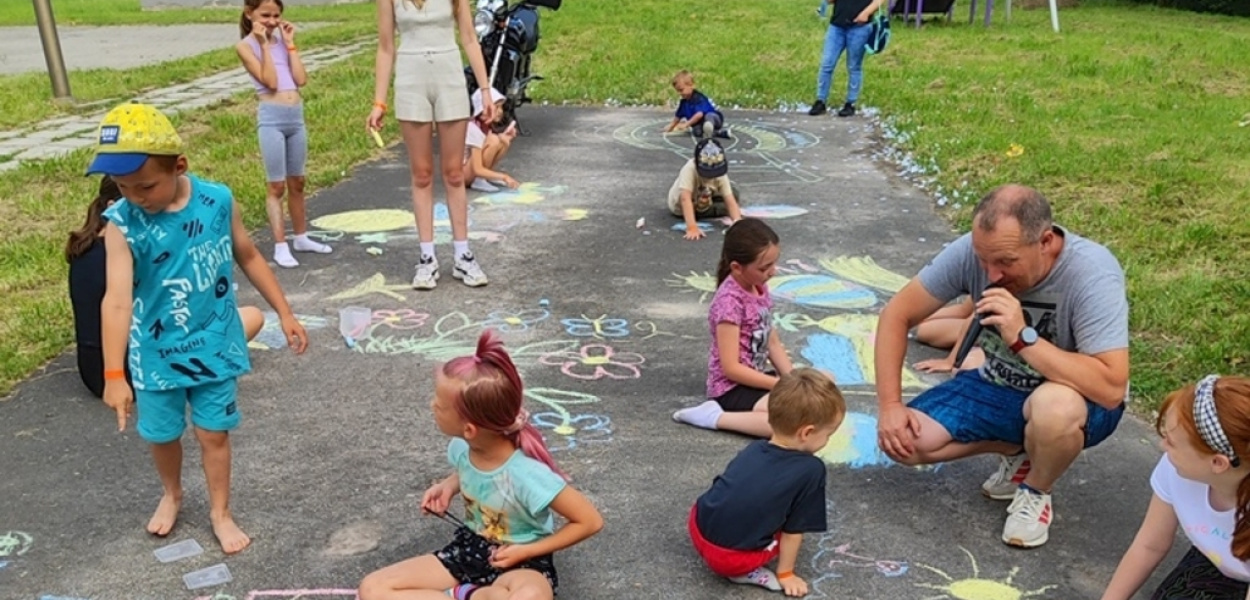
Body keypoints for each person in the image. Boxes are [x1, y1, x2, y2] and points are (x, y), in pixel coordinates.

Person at [90, 102, 309, 554]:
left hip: (214, 344)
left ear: (180, 166)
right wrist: (114, 375)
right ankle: (172, 493)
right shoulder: (122, 224)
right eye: (124, 188)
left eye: (146, 186)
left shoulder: (216, 201)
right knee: (162, 434)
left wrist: (284, 311)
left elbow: (247, 254)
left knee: (214, 433)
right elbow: (115, 301)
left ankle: (220, 511)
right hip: (155, 353)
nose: (136, 197)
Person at [874, 184, 1130, 549]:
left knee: (1052, 407)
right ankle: (1020, 450)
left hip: (1077, 402)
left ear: (1044, 241)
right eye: (983, 260)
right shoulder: (976, 249)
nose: (991, 274)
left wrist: (1023, 338)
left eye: (1006, 263)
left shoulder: (1092, 272)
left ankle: (1036, 490)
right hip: (1000, 383)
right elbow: (897, 315)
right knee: (903, 441)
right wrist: (890, 406)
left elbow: (1111, 388)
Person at [358, 330, 604, 600]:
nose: (432, 406)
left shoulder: (527, 473)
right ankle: (470, 594)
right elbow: (472, 469)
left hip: (522, 561)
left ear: (470, 429)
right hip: (470, 550)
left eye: (439, 406)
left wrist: (528, 550)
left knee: (528, 596)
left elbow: (589, 521)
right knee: (373, 588)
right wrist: (448, 486)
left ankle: (474, 594)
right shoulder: (462, 448)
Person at [65, 176, 265, 399]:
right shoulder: (129, 251)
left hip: (92, 369)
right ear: (114, 209)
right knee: (252, 316)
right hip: (141, 369)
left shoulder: (82, 248)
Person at [368, 0, 496, 290]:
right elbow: (386, 47)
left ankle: (463, 254)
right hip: (411, 81)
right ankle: (427, 258)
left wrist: (485, 90)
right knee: (422, 174)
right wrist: (379, 102)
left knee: (454, 172)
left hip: (449, 76)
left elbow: (468, 38)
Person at [688, 368, 845, 597]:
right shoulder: (811, 469)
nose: (828, 440)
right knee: (785, 522)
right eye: (828, 434)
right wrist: (786, 574)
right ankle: (746, 572)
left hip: (697, 526)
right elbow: (794, 529)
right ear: (807, 432)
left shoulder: (755, 447)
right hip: (728, 559)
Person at [1103, 375, 1250, 599]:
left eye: (1171, 442)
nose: (1163, 447)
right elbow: (1150, 544)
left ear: (1218, 463)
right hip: (1220, 564)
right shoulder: (1177, 468)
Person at [673, 218, 793, 438]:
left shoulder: (758, 286)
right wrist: (778, 385)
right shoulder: (729, 302)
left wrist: (792, 379)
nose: (773, 272)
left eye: (774, 264)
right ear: (737, 268)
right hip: (731, 389)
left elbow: (771, 340)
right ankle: (714, 417)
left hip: (755, 379)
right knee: (788, 424)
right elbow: (731, 368)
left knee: (823, 385)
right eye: (765, 267)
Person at [235, 0, 332, 268]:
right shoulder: (246, 47)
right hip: (272, 118)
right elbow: (271, 81)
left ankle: (301, 237)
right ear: (249, 13)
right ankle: (280, 245)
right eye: (265, 15)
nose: (271, 21)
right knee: (275, 185)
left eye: (276, 15)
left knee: (298, 181)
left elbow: (300, 79)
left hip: (295, 117)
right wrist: (264, 44)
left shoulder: (281, 41)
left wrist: (289, 43)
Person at [808, 0, 884, 117]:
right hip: (837, 25)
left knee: (854, 66)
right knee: (827, 63)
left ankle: (850, 103)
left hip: (860, 27)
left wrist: (866, 13)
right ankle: (820, 100)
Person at [667, 139, 744, 241]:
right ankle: (702, 209)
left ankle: (707, 202)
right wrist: (692, 227)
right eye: (707, 174)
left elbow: (729, 198)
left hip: (702, 195)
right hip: (682, 206)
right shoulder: (689, 169)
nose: (711, 177)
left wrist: (737, 223)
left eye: (714, 174)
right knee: (724, 208)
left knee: (733, 192)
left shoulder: (719, 171)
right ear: (696, 162)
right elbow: (685, 199)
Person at [462, 86, 519, 193]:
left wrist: (506, 138)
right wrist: (503, 177)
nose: (500, 111)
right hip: (463, 176)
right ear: (482, 110)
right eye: (496, 107)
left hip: (471, 171)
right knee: (494, 140)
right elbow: (477, 168)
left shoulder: (484, 125)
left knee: (503, 141)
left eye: (500, 107)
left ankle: (484, 177)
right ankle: (480, 179)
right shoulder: (473, 128)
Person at [910, 297, 985, 374]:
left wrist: (950, 361)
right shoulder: (985, 286)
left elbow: (974, 321)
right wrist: (916, 318)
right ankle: (973, 345)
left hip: (992, 333)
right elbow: (963, 310)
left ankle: (980, 349)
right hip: (982, 327)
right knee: (924, 331)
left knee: (966, 367)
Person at [662, 70, 730, 140]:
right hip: (700, 123)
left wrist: (686, 124)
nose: (680, 93)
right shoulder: (684, 103)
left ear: (691, 86)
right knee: (697, 131)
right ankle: (718, 133)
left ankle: (709, 126)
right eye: (678, 91)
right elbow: (678, 117)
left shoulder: (698, 98)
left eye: (681, 90)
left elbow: (699, 114)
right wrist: (671, 127)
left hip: (715, 119)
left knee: (709, 116)